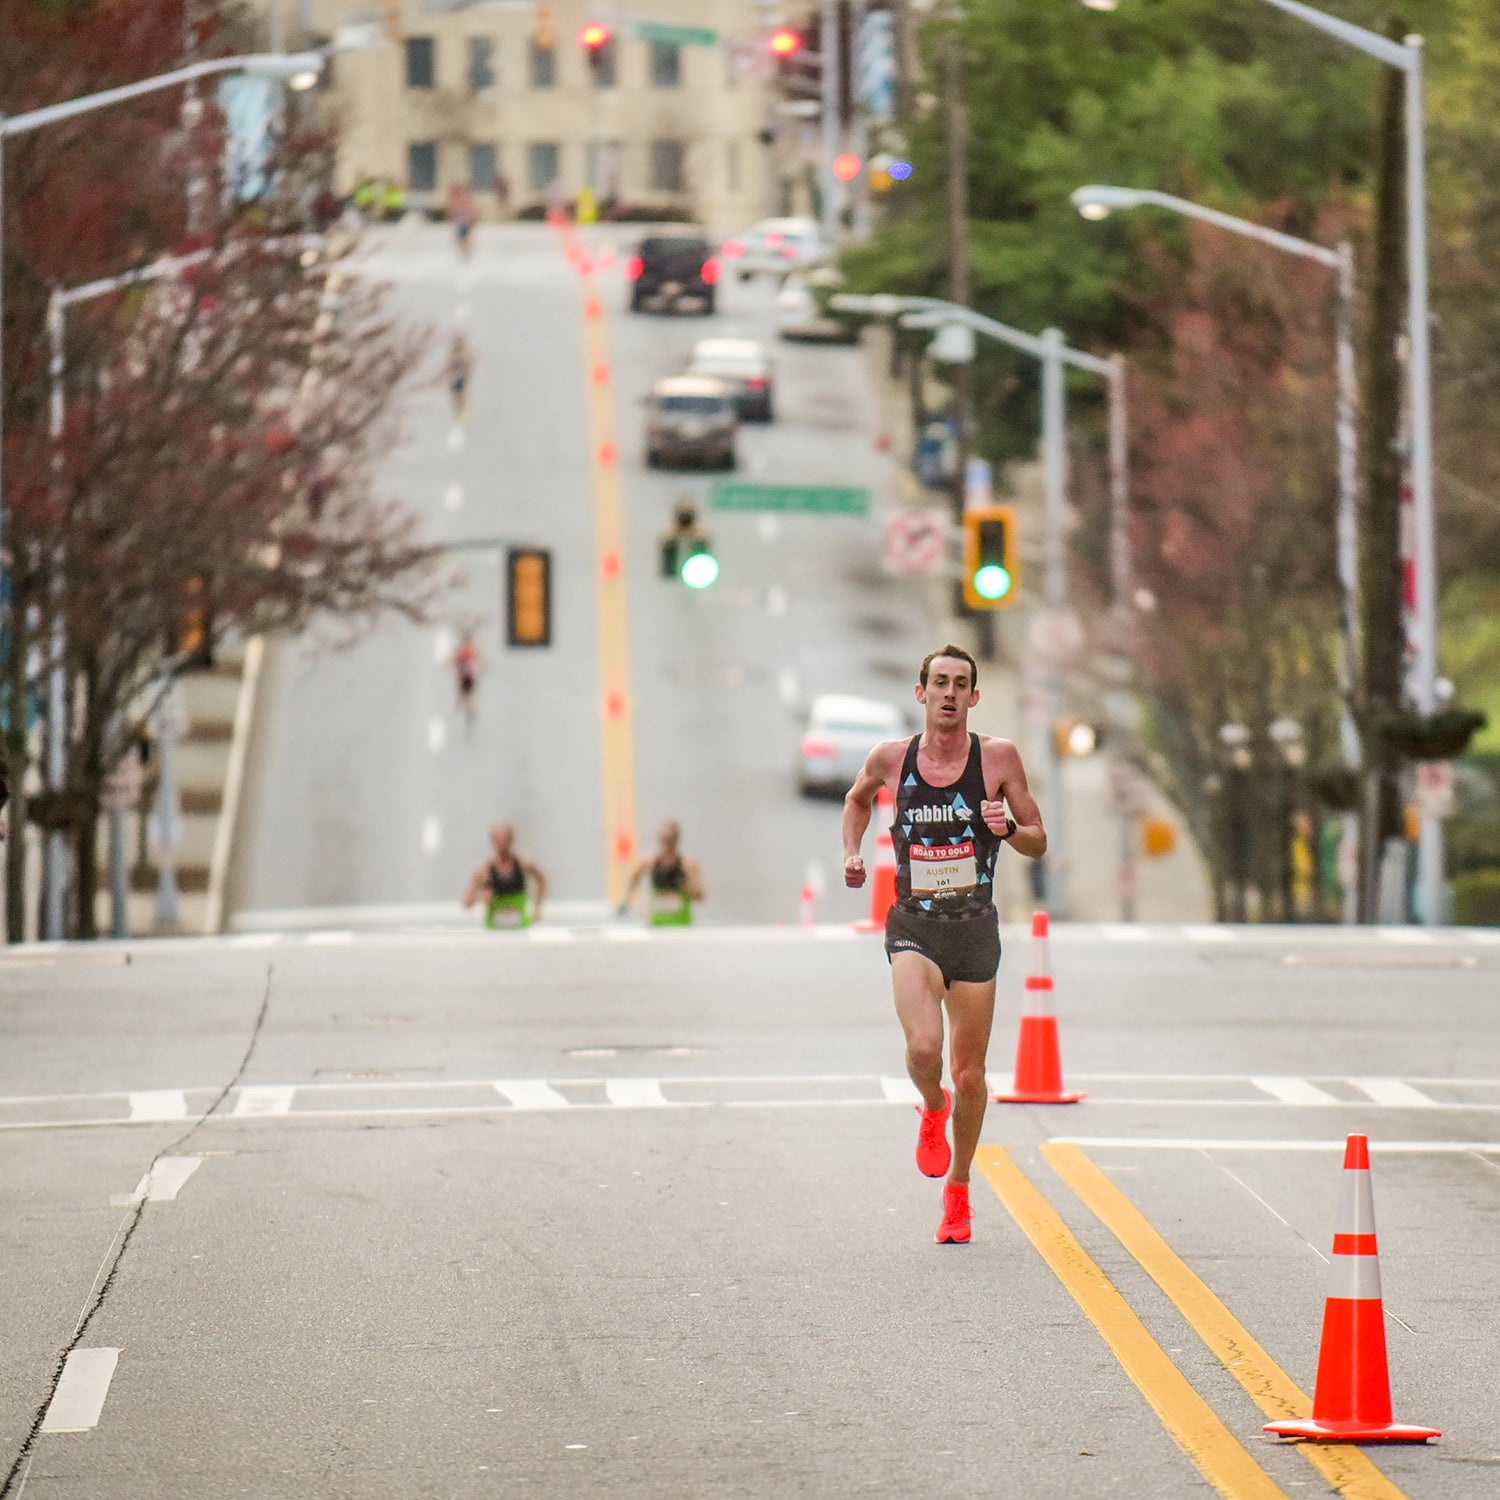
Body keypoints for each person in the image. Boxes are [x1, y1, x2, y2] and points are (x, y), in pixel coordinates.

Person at [843, 644, 1046, 1246]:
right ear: (921, 694)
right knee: (927, 1049)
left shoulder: (999, 759)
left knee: (973, 1073)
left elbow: (1037, 839)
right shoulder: (890, 758)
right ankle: (932, 1106)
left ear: (974, 698)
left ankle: (957, 1190)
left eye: (961, 684)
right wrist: (853, 852)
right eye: (940, 683)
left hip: (975, 932)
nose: (950, 693)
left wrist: (1006, 827)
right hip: (914, 926)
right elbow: (857, 801)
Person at [619, 820, 704, 926]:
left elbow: (700, 896)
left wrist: (682, 884)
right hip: (656, 922)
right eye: (664, 838)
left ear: (677, 839)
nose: (667, 843)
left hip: (681, 923)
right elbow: (633, 879)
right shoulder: (650, 862)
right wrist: (627, 901)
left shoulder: (687, 864)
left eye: (671, 839)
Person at [464, 823, 548, 929]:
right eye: (498, 840)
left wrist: (537, 907)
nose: (502, 844)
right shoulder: (483, 869)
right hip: (494, 929)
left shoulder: (523, 863)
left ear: (512, 840)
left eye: (505, 839)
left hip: (521, 926)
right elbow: (466, 902)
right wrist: (479, 896)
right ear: (492, 841)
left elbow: (542, 879)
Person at [453, 630, 480, 727]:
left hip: (465, 677)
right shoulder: (471, 651)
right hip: (469, 677)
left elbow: (455, 661)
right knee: (470, 694)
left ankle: (465, 705)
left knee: (465, 694)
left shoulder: (462, 651)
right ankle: (470, 708)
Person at [448, 333, 475, 422]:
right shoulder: (454, 355)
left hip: (461, 378)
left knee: (461, 396)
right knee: (457, 397)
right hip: (455, 378)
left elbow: (471, 363)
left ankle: (461, 414)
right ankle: (458, 414)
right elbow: (449, 366)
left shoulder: (464, 354)